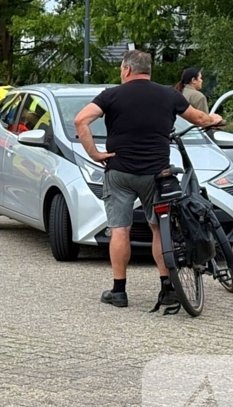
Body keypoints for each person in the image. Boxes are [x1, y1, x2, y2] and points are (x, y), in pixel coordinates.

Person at [74, 50, 222, 309]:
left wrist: (95, 153)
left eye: (122, 68)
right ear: (148, 70)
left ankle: (119, 291)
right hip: (157, 174)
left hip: (120, 172)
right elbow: (198, 118)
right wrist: (215, 119)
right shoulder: (168, 94)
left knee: (120, 228)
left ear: (127, 70)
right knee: (158, 228)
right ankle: (167, 288)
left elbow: (80, 120)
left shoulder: (111, 95)